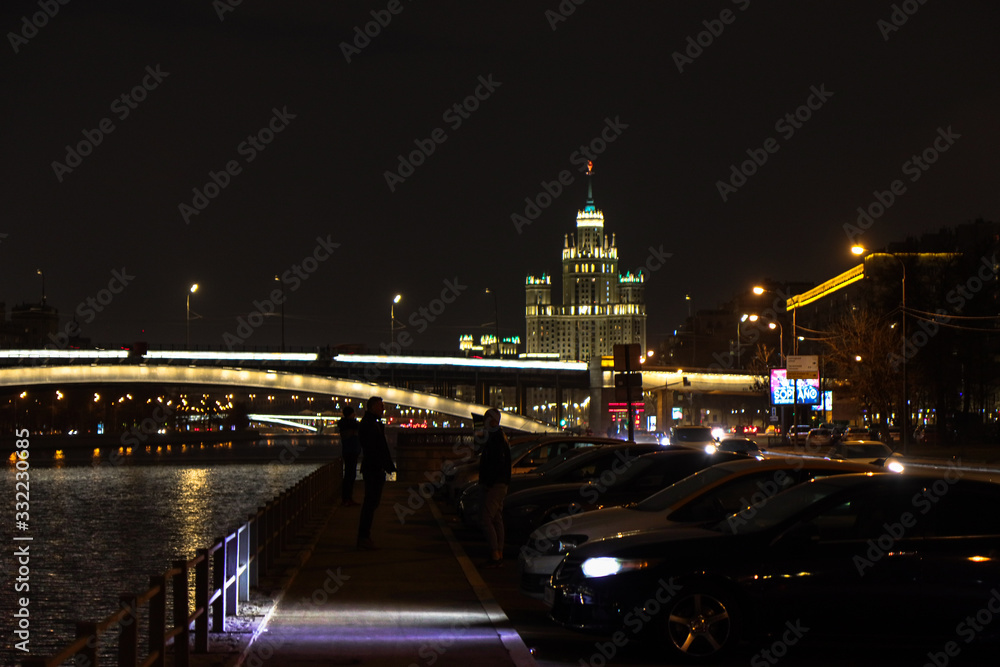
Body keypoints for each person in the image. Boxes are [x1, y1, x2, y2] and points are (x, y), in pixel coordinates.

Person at [356, 396, 396, 550]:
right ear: (372, 407)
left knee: (372, 503)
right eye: (380, 406)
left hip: (374, 467)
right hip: (374, 468)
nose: (383, 409)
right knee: (370, 503)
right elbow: (377, 448)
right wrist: (385, 465)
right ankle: (363, 537)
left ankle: (364, 536)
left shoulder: (372, 423)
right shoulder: (370, 424)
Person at [478, 407, 511, 568]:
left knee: (486, 519)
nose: (484, 422)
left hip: (495, 484)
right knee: (497, 518)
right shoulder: (500, 436)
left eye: (486, 419)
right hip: (500, 483)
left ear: (492, 420)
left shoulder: (495, 438)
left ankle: (495, 554)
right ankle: (499, 552)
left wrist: (488, 483)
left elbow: (495, 464)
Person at [337, 406, 361, 506]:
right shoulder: (350, 425)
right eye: (353, 413)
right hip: (351, 451)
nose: (354, 415)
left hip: (349, 451)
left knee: (349, 475)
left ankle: (347, 498)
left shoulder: (344, 424)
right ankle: (347, 499)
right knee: (350, 476)